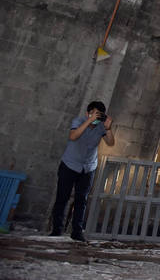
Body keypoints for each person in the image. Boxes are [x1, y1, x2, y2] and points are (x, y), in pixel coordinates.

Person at [50, 100, 115, 241]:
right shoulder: (79, 121)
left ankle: (77, 232)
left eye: (99, 115)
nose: (96, 118)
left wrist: (108, 128)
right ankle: (56, 230)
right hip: (70, 165)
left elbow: (110, 143)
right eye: (94, 114)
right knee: (62, 197)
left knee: (82, 200)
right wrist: (89, 121)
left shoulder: (101, 127)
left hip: (88, 167)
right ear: (88, 113)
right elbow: (73, 136)